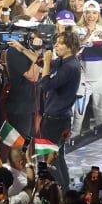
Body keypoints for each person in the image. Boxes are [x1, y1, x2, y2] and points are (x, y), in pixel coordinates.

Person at [37, 30, 82, 189]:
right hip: (60, 119)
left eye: (60, 43)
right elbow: (40, 62)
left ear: (70, 46)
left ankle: (60, 194)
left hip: (56, 122)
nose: (56, 45)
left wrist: (48, 62)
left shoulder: (70, 67)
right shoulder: (67, 61)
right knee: (58, 158)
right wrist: (22, 50)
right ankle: (65, 192)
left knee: (52, 160)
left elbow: (45, 84)